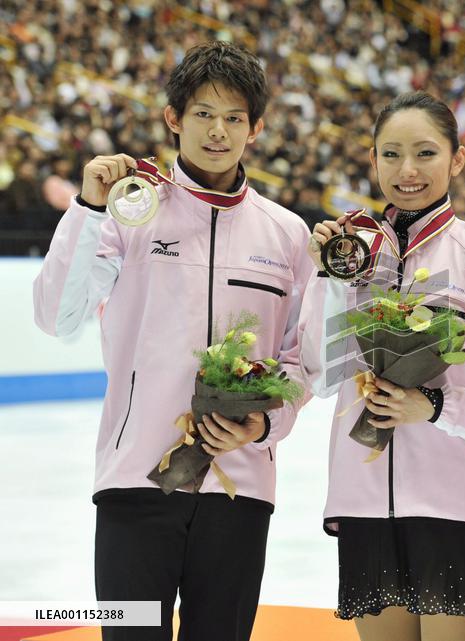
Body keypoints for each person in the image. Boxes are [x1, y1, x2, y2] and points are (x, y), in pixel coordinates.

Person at [33, 41, 314, 641]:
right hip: (136, 484)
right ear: (173, 119)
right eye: (203, 114)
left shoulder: (287, 234)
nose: (219, 130)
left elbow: (300, 361)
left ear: (256, 128)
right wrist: (86, 208)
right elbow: (58, 316)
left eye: (235, 117)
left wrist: (264, 427)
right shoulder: (130, 211)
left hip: (239, 491)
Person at [299, 91, 465, 641]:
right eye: (391, 154)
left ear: (457, 158)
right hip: (364, 497)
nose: (407, 170)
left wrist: (435, 406)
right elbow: (319, 374)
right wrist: (328, 280)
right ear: (371, 160)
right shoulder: (348, 254)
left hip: (455, 500)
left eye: (425, 153)